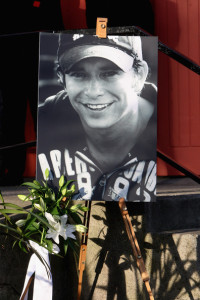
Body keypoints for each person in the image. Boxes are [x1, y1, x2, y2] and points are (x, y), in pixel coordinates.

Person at [37, 33, 157, 202]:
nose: (94, 91)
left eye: (109, 73)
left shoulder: (165, 128)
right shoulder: (46, 121)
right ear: (61, 79)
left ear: (139, 76)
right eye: (79, 74)